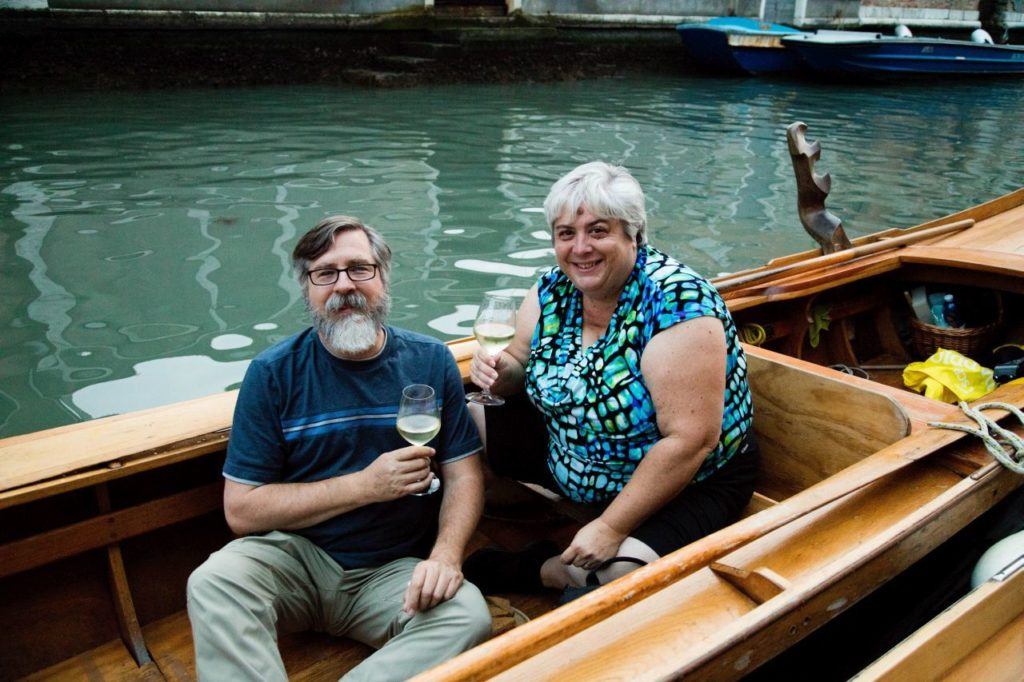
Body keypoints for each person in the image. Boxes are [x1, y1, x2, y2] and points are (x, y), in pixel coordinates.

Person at [187, 216, 491, 681]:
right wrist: (365, 486)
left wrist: (445, 557)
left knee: (467, 614)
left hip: (392, 572)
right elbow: (242, 511)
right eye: (325, 273)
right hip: (296, 563)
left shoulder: (430, 360)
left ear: (383, 277)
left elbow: (464, 473)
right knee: (214, 582)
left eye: (359, 269)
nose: (343, 285)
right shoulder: (272, 374)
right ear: (307, 288)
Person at [464, 162, 757, 597]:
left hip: (686, 481)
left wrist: (609, 526)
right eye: (566, 233)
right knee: (457, 417)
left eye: (598, 231)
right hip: (573, 449)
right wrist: (497, 370)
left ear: (633, 234)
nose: (580, 248)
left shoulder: (678, 304)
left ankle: (542, 569)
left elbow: (690, 441)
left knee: (613, 577)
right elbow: (518, 366)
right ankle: (513, 507)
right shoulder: (552, 289)